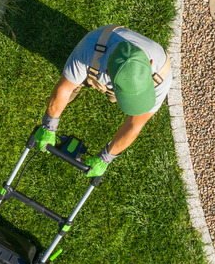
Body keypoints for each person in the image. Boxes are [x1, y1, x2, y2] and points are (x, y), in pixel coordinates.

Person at [34, 24, 172, 177]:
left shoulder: (162, 74)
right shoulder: (89, 48)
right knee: (72, 85)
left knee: (114, 99)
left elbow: (135, 124)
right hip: (96, 61)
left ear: (150, 64)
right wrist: (49, 125)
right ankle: (82, 81)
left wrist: (105, 158)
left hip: (108, 73)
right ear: (107, 74)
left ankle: (109, 91)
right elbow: (64, 89)